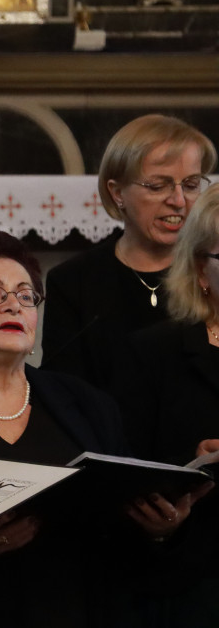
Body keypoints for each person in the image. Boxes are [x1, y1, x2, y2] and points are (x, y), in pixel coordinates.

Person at [0, 228, 212, 628]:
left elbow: (121, 542)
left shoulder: (88, 405)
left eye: (24, 295)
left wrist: (160, 530)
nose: (13, 306)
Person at [42, 114, 217, 390]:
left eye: (192, 185)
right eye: (158, 186)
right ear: (117, 193)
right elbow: (63, 392)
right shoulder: (73, 281)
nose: (179, 201)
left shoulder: (211, 270)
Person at [111, 184, 219, 627]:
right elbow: (126, 470)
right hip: (193, 582)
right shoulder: (153, 353)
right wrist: (189, 469)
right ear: (200, 270)